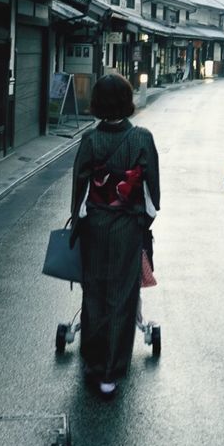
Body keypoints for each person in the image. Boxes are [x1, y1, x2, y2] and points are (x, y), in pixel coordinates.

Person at [71, 74, 161, 397]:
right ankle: (112, 368)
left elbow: (80, 194)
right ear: (127, 101)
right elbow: (151, 193)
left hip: (96, 223)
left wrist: (82, 223)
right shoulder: (142, 138)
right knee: (123, 294)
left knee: (94, 290)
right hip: (127, 225)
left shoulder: (90, 141)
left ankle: (93, 363)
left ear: (96, 104)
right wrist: (142, 221)